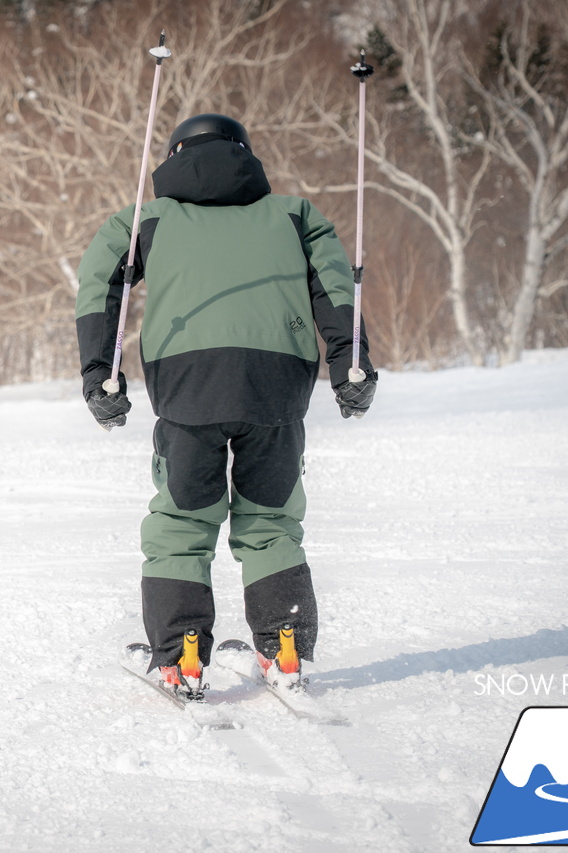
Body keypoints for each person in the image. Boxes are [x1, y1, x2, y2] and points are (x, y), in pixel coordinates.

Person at [75, 114, 377, 692]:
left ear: (173, 157)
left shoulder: (149, 219)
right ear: (245, 155)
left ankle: (182, 657)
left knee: (182, 523)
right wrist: (350, 366)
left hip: (189, 384)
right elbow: (337, 286)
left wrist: (100, 374)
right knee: (270, 521)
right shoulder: (293, 215)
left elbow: (100, 281)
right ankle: (283, 647)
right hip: (277, 384)